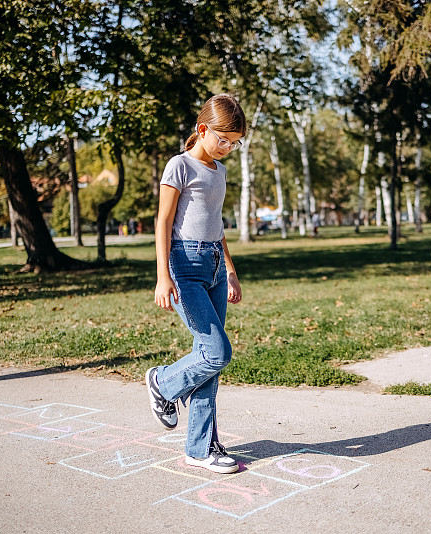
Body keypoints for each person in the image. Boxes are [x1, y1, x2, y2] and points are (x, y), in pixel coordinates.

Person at [145, 94, 245, 474]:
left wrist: (231, 270)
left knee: (209, 360)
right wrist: (162, 276)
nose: (229, 148)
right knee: (216, 352)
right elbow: (163, 222)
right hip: (185, 266)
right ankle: (163, 383)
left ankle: (200, 447)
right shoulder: (179, 166)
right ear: (202, 129)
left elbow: (217, 227)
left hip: (216, 267)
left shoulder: (218, 170)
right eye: (224, 139)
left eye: (235, 142)